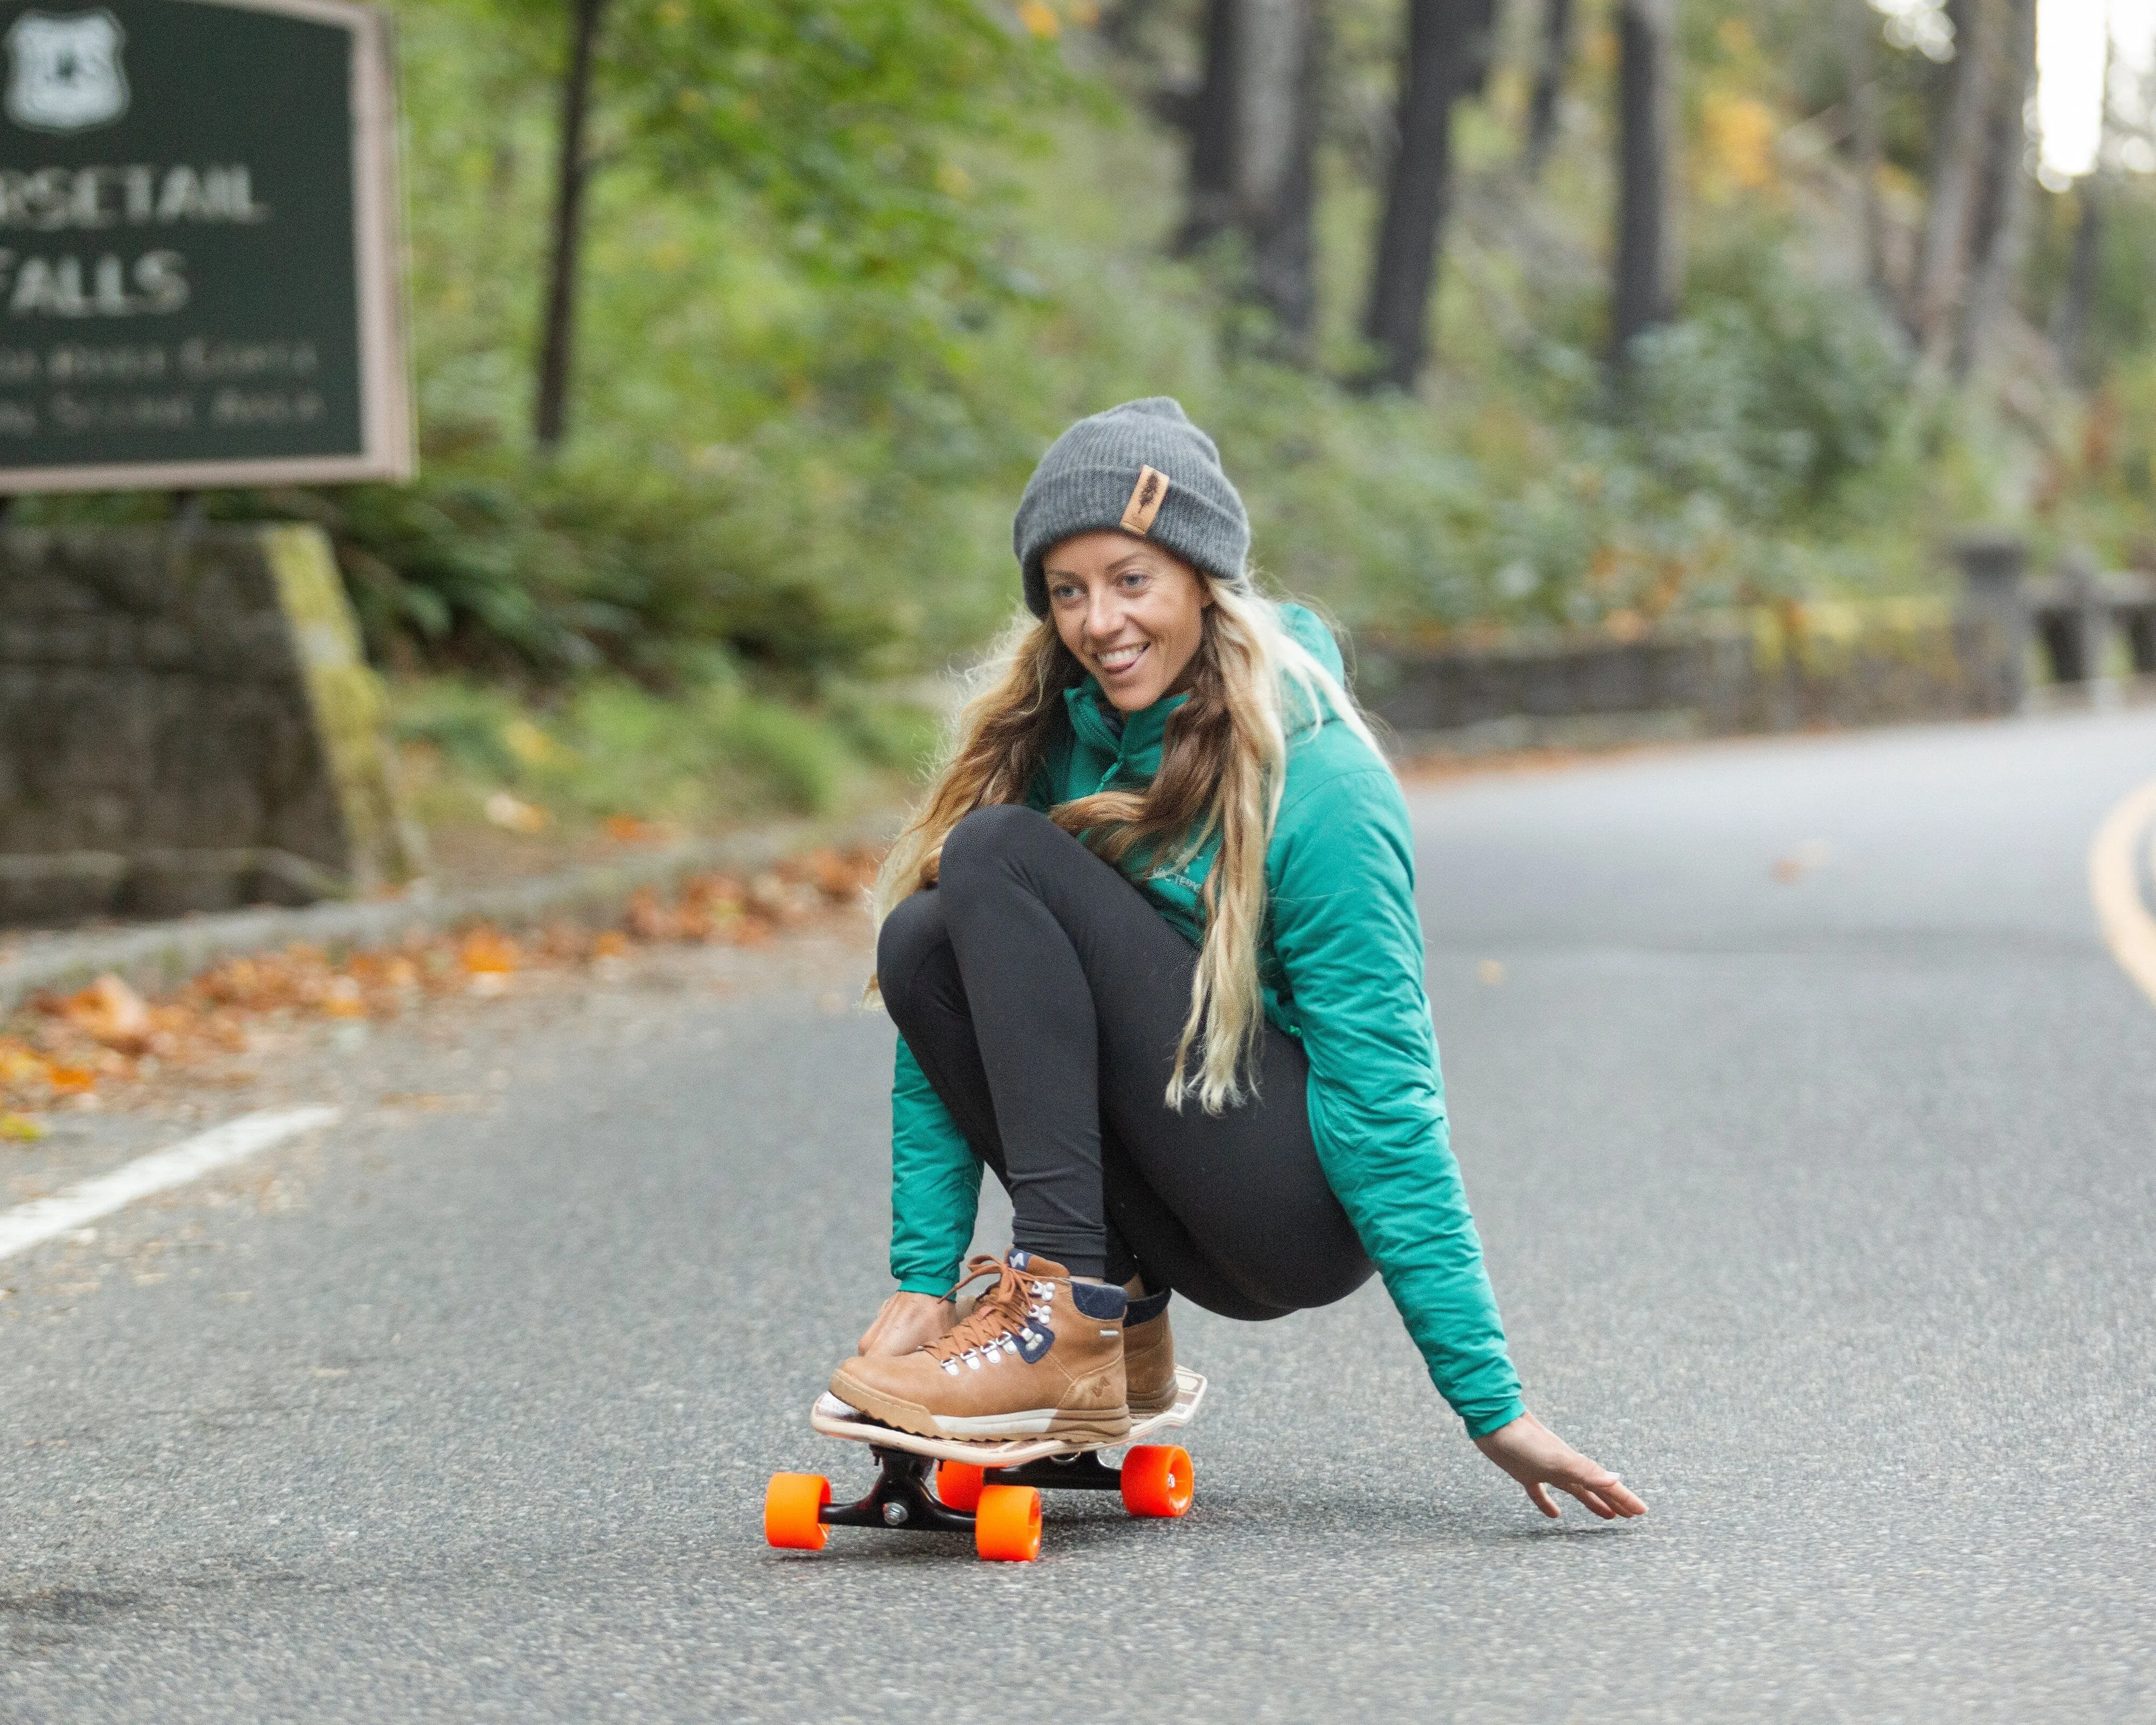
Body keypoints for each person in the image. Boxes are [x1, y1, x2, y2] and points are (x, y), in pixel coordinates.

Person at [829, 398, 1645, 1522]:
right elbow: (951, 1026)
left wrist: (1489, 1404)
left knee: (995, 855)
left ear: (1203, 579)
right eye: (1066, 591)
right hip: (1175, 1177)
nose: (1096, 621)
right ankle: (1113, 1326)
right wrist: (922, 1280)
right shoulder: (1063, 733)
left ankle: (1061, 1320)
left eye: (1129, 580)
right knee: (925, 933)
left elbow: (1386, 1099)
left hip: (1289, 1207)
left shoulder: (1321, 782)